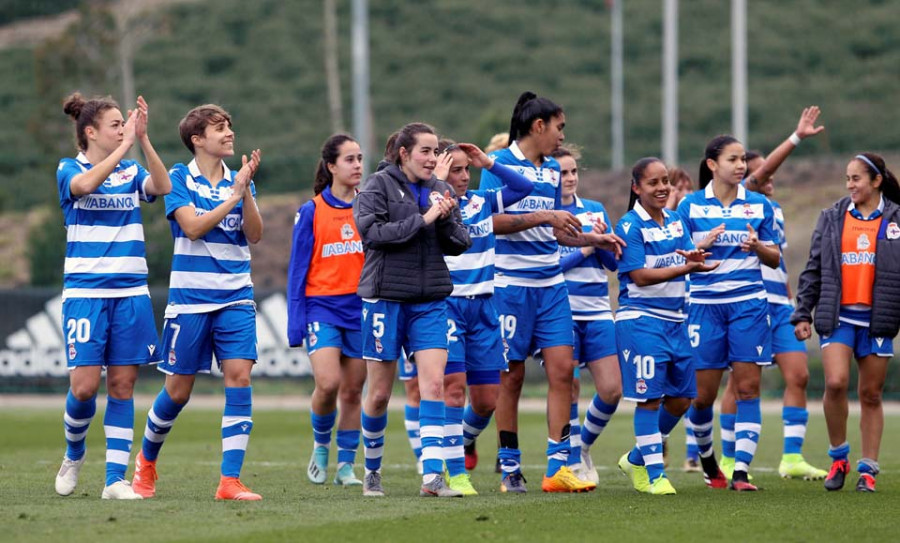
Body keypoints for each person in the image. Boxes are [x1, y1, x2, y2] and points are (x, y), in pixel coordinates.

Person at [480, 91, 624, 493]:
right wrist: (544, 215)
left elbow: (555, 231)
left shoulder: (550, 170)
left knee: (564, 371)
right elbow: (491, 220)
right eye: (559, 127)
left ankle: (558, 468)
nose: (562, 136)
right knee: (511, 376)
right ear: (538, 126)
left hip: (551, 285)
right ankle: (510, 467)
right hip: (509, 285)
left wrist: (594, 239)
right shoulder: (500, 164)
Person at [131, 104, 264, 501]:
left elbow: (254, 235)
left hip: (237, 296)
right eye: (220, 128)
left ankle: (229, 481)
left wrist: (246, 193)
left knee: (239, 377)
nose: (229, 133)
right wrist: (233, 198)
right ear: (197, 139)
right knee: (178, 392)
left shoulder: (238, 181)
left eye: (230, 126)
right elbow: (192, 226)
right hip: (190, 302)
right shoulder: (178, 177)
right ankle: (146, 461)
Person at [54, 93, 170, 500]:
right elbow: (85, 186)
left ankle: (114, 480)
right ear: (91, 132)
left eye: (125, 123)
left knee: (122, 385)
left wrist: (144, 140)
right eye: (116, 124)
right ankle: (74, 453)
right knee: (84, 387)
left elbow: (162, 185)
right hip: (85, 293)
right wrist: (124, 146)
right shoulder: (70, 168)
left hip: (131, 293)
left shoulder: (129, 170)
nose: (123, 129)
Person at [354, 122, 471, 497]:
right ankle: (372, 471)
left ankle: (433, 478)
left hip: (430, 300)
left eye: (436, 151)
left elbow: (459, 242)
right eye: (426, 151)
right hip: (385, 299)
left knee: (434, 385)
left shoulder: (440, 189)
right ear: (404, 153)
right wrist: (426, 217)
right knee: (379, 394)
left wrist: (448, 215)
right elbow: (374, 235)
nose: (433, 158)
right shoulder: (377, 186)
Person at [716, 107, 828, 481]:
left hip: (780, 305)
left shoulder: (772, 209)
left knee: (798, 375)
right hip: (749, 302)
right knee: (741, 382)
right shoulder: (743, 197)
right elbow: (762, 169)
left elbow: (779, 265)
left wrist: (798, 309)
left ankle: (791, 456)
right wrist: (796, 137)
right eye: (761, 170)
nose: (769, 175)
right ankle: (730, 458)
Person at [677, 135, 780, 491]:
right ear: (712, 165)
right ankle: (707, 459)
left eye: (742, 160)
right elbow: (677, 256)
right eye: (732, 159)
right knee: (702, 396)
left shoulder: (759, 205)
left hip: (749, 305)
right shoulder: (689, 207)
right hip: (704, 308)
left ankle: (740, 471)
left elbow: (775, 257)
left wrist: (758, 247)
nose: (741, 166)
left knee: (748, 389)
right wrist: (696, 247)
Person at [792, 152, 900, 493]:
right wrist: (802, 312)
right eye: (847, 179)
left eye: (856, 178)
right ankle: (839, 457)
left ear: (876, 181)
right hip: (838, 316)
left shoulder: (897, 219)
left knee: (870, 394)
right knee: (836, 382)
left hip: (878, 319)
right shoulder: (832, 217)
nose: (850, 185)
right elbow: (813, 268)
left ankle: (868, 469)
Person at [435, 139, 534, 495]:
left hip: (484, 308)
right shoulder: (432, 203)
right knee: (453, 388)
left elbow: (526, 187)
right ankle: (456, 473)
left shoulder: (482, 201)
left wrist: (488, 163)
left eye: (467, 169)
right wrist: (438, 183)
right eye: (456, 169)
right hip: (448, 306)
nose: (464, 176)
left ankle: (453, 444)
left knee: (487, 401)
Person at [615, 157, 719, 495]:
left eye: (665, 182)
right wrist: (687, 269)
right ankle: (656, 475)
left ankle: (635, 458)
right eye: (653, 183)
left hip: (677, 321)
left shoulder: (675, 220)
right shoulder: (630, 226)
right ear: (637, 188)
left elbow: (684, 256)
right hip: (642, 320)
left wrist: (697, 255)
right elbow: (640, 276)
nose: (661, 188)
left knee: (683, 400)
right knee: (650, 399)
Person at [287, 134, 366, 487]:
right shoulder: (311, 210)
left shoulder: (370, 207)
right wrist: (295, 321)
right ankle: (321, 446)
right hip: (323, 306)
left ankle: (346, 465)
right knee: (329, 383)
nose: (358, 166)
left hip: (363, 308)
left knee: (353, 391)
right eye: (350, 159)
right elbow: (297, 270)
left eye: (360, 158)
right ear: (331, 166)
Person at [551, 146, 621, 485]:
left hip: (597, 311)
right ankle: (570, 459)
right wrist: (586, 247)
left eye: (573, 172)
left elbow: (611, 265)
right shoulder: (546, 216)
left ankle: (582, 448)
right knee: (571, 386)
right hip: (560, 311)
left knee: (612, 390)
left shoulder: (594, 210)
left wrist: (607, 246)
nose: (569, 178)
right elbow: (550, 266)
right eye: (562, 173)